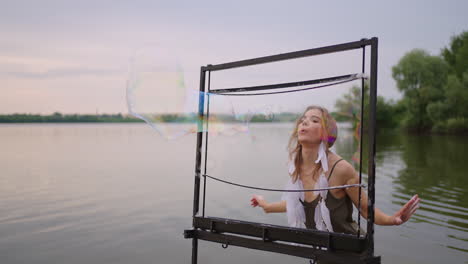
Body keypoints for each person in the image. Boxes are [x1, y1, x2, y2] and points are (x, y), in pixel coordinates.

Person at [251, 105, 420, 235]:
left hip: (350, 253)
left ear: (327, 133)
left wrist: (393, 220)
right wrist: (266, 206)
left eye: (315, 120)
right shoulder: (295, 164)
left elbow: (365, 209)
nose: (305, 122)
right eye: (303, 119)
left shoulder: (341, 169)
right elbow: (296, 203)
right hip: (321, 250)